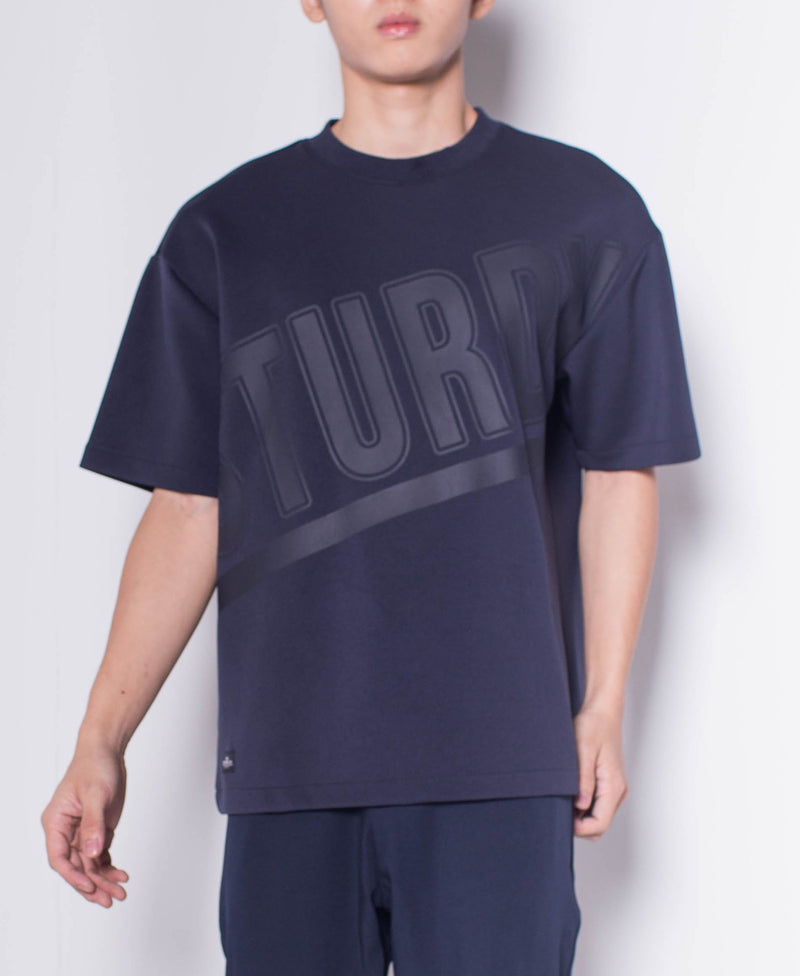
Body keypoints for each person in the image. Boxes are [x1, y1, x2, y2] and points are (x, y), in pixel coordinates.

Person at [41, 1, 702, 973]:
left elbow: (617, 472)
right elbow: (188, 503)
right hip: (288, 769)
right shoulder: (224, 233)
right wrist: (100, 739)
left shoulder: (586, 214)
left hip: (499, 768)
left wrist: (601, 708)